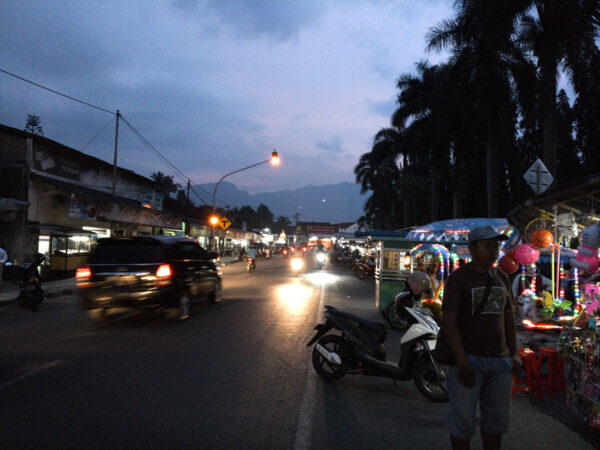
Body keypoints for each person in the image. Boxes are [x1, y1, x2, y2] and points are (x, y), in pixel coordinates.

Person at [442, 225, 523, 450]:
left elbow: (508, 317)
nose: (494, 251)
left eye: (496, 246)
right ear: (472, 248)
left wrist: (514, 353)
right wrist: (462, 361)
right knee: (462, 423)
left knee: (495, 424)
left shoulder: (502, 278)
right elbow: (449, 322)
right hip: (469, 360)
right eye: (487, 246)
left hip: (500, 362)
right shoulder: (459, 279)